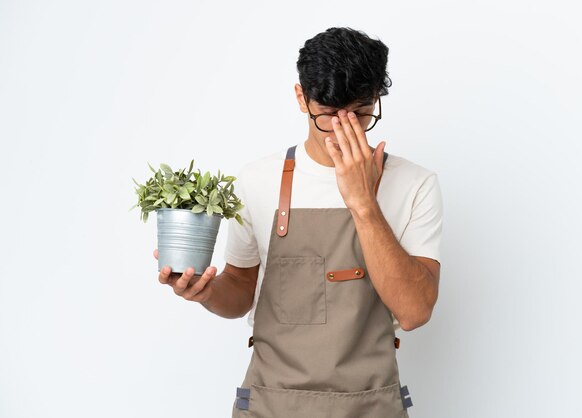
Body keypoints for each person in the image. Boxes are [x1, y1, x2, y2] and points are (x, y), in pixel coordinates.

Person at [155, 26, 443, 418]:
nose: (344, 130)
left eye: (359, 114)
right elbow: (241, 290)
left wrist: (363, 204)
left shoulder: (414, 184)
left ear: (376, 100)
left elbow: (415, 312)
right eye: (327, 115)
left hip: (371, 406)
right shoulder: (257, 180)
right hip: (272, 405)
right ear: (301, 99)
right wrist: (205, 293)